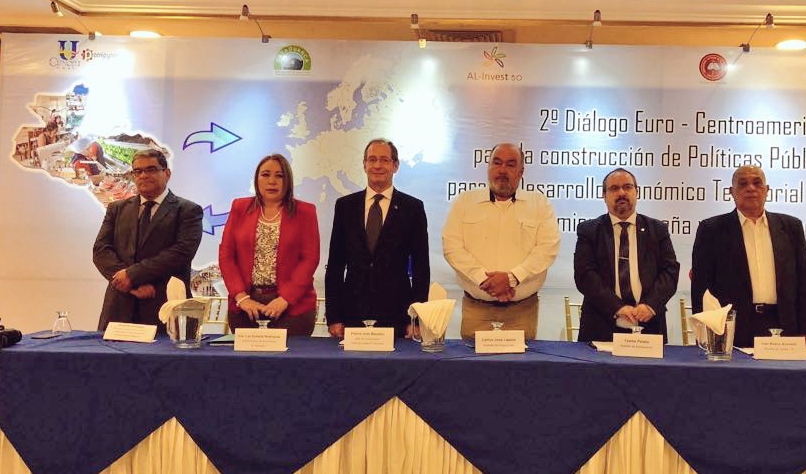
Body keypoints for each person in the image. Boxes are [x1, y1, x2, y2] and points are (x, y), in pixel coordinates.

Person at [443, 142, 560, 339]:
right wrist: (484, 280)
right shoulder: (464, 202)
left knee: (522, 360)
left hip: (522, 311)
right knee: (470, 359)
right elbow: (452, 247)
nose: (502, 170)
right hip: (476, 309)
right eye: (497, 163)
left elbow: (547, 249)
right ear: (488, 167)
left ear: (521, 172)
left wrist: (511, 278)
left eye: (511, 164)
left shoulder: (539, 204)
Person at [691, 165, 806, 347]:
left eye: (757, 183)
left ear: (767, 190)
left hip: (783, 325)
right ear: (732, 192)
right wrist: (704, 331)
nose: (751, 188)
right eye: (743, 184)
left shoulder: (791, 227)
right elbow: (701, 286)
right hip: (731, 327)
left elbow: (803, 282)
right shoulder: (711, 229)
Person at [325, 138, 430, 338]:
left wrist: (416, 320)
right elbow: (335, 265)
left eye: (384, 160)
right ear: (364, 165)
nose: (377, 165)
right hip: (352, 313)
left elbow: (421, 268)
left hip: (397, 314)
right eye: (372, 159)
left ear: (395, 166)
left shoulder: (412, 208)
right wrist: (334, 317)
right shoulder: (345, 206)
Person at [92, 149, 203, 330]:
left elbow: (181, 253)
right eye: (138, 171)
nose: (143, 175)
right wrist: (130, 284)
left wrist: (133, 275)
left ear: (167, 173)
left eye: (151, 169)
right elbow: (101, 251)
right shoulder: (116, 209)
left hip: (165, 307)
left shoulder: (188, 210)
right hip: (119, 308)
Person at [219, 153, 320, 336]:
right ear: (256, 179)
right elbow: (226, 255)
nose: (272, 181)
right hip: (246, 307)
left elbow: (310, 259)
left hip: (292, 307)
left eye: (279, 176)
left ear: (288, 181)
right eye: (265, 174)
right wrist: (241, 298)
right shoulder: (240, 207)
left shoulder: (305, 212)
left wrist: (285, 299)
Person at [574, 168, 679, 342]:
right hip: (601, 325)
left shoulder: (657, 229)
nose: (621, 193)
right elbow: (585, 275)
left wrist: (650, 305)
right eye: (614, 188)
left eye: (627, 187)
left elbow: (670, 272)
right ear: (604, 195)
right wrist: (618, 307)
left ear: (637, 192)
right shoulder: (589, 231)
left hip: (649, 324)